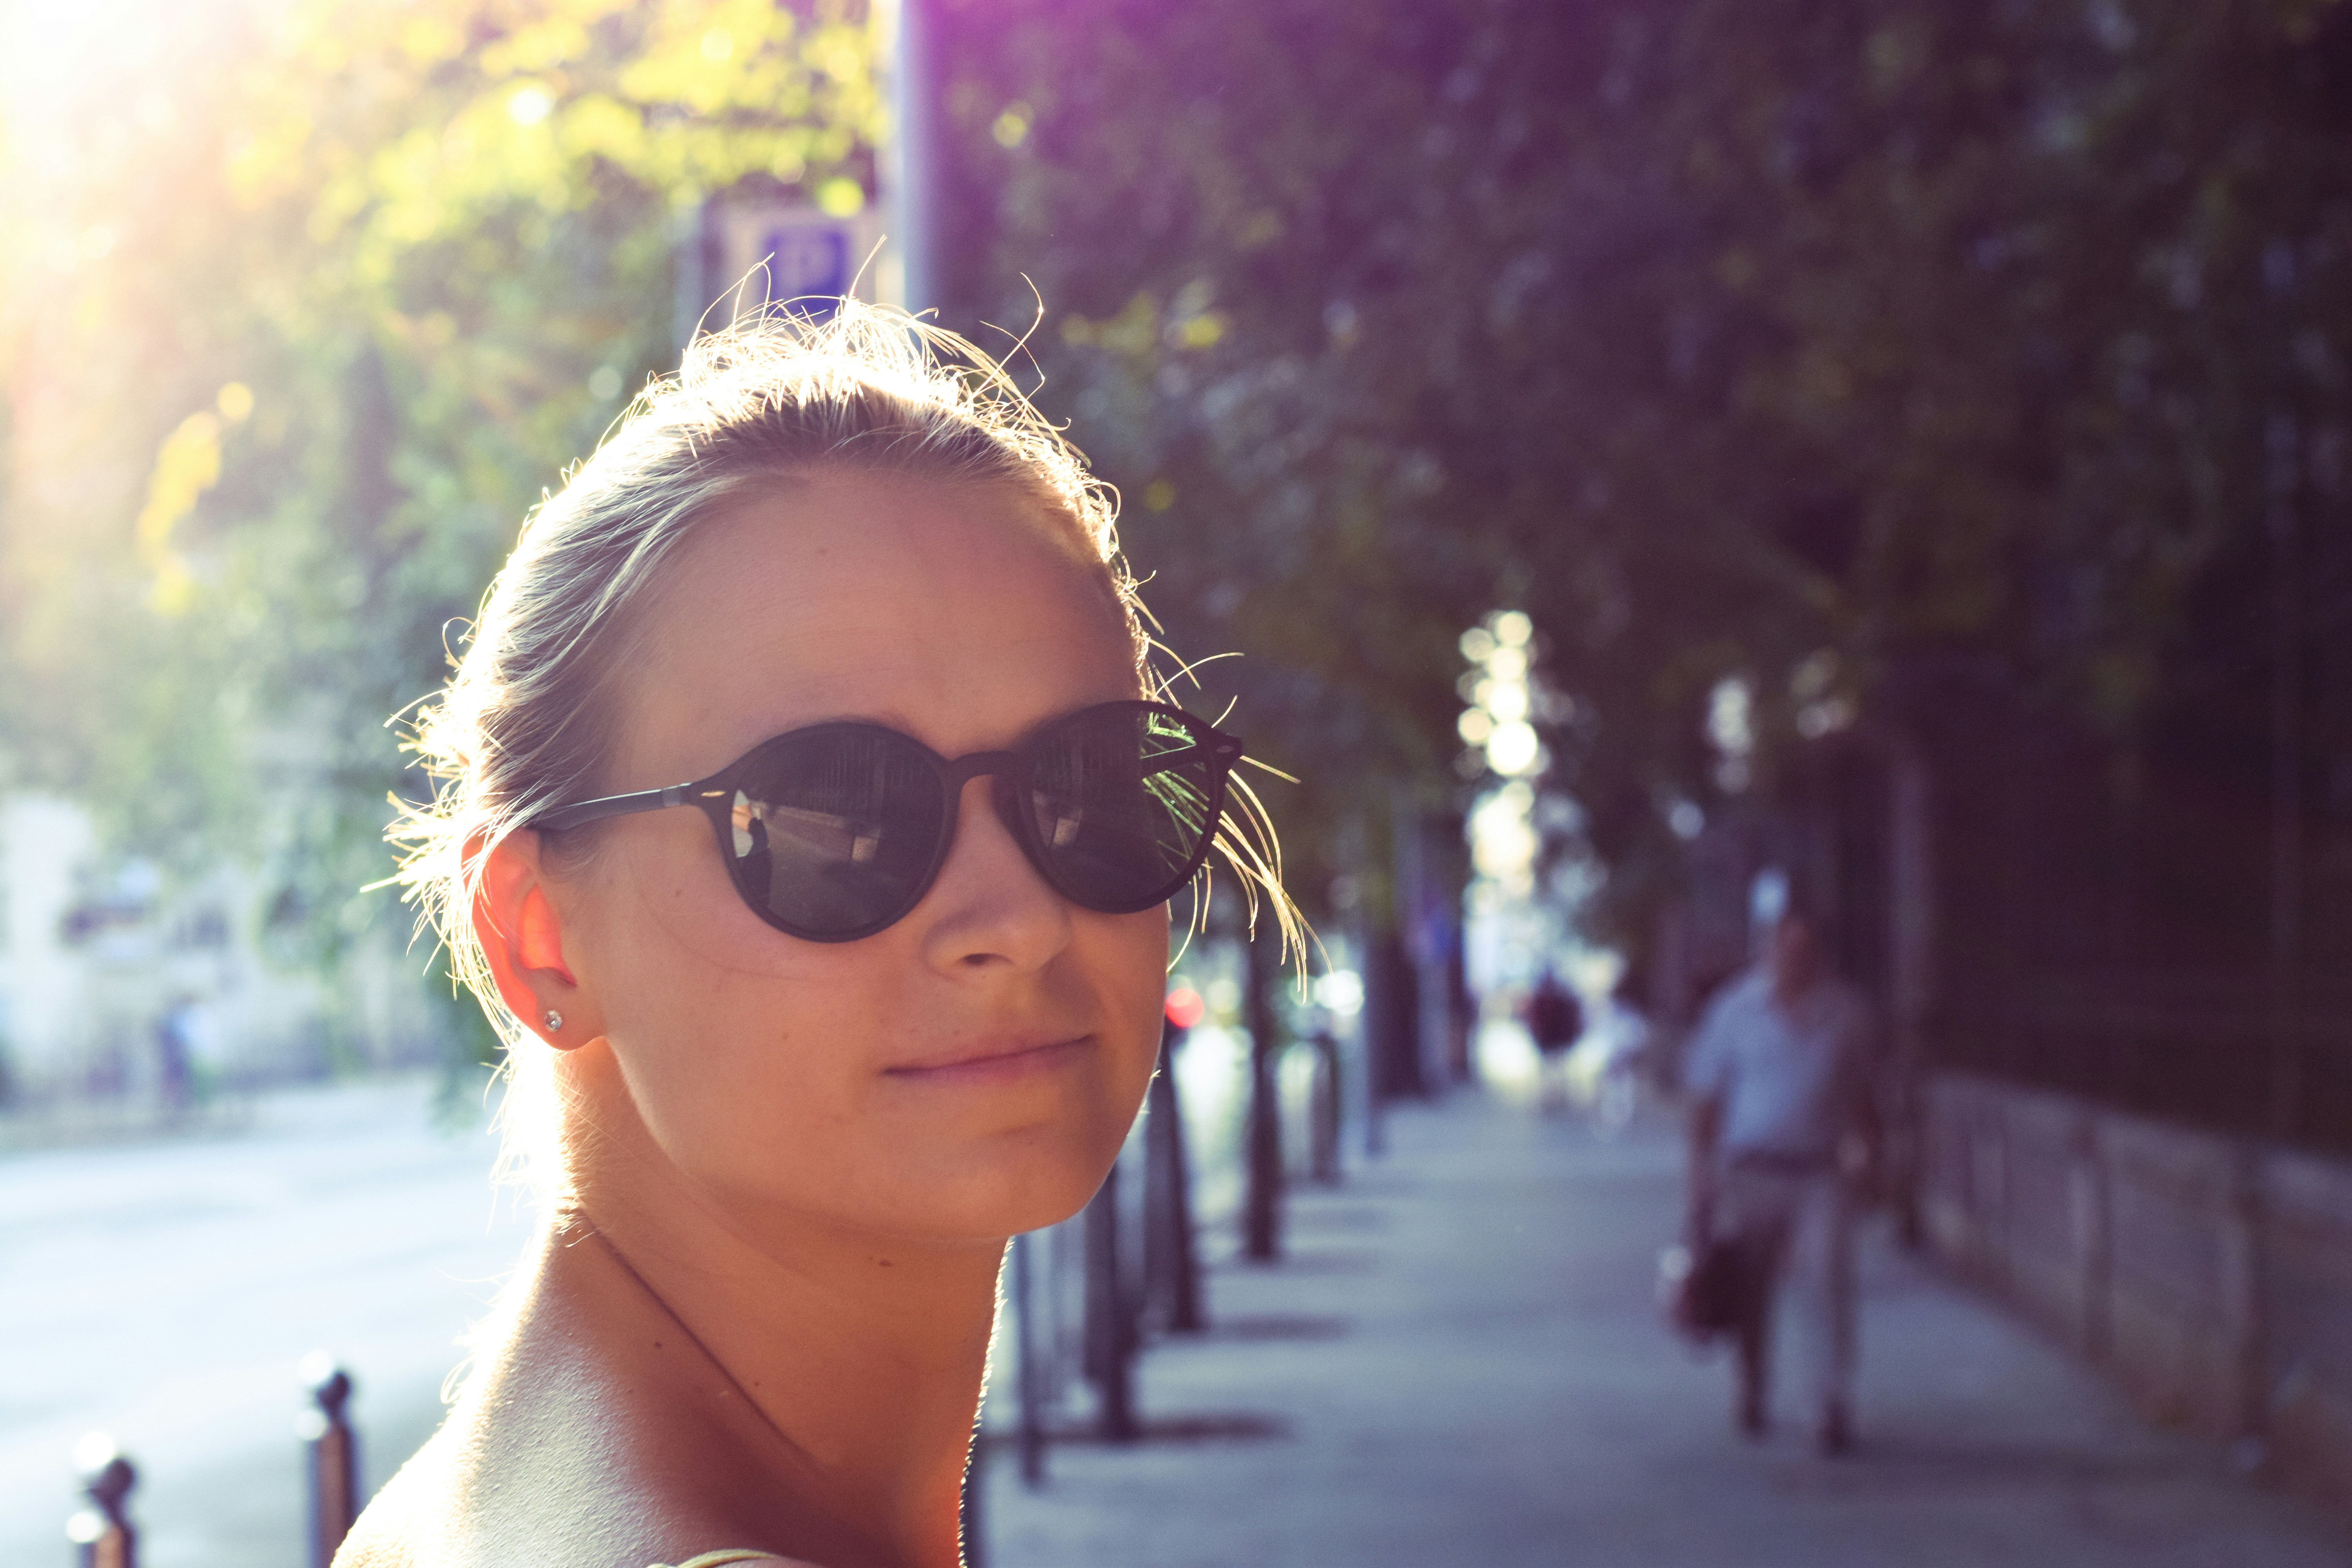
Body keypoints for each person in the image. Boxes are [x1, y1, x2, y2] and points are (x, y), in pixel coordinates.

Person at [343, 303, 1292, 1568]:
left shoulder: (463, 1512)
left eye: (1089, 785)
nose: (1014, 920)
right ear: (540, 937)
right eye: (836, 809)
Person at [1682, 888, 1878, 1455]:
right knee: (1749, 1287)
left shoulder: (1847, 1014)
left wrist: (1872, 1157)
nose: (1795, 958)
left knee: (1827, 1281)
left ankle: (1830, 1400)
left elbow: (1864, 1096)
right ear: (1768, 950)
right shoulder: (1734, 1011)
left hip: (1819, 1170)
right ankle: (1753, 1388)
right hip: (1751, 1169)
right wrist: (1700, 1176)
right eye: (1785, 947)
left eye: (1806, 950)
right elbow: (1706, 1102)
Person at [1523, 968, 1584, 1112]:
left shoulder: (1547, 999)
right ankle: (1553, 1098)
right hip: (1550, 1038)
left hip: (1551, 1038)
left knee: (1552, 1070)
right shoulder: (1552, 998)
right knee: (1554, 1070)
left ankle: (1554, 1098)